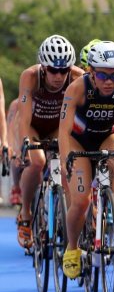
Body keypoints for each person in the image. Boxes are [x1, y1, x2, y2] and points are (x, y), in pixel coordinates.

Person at [60, 41, 114, 279]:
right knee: (79, 202)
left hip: (108, 136)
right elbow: (63, 130)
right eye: (102, 75)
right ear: (91, 72)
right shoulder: (77, 89)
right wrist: (64, 160)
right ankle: (71, 249)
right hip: (78, 140)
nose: (109, 81)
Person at [15, 35, 83, 249]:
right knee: (36, 162)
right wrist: (26, 144)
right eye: (53, 70)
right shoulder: (30, 77)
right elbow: (24, 117)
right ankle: (25, 212)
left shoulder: (78, 77)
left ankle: (71, 222)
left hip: (57, 127)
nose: (59, 76)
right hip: (33, 125)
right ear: (43, 68)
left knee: (67, 167)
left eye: (64, 71)